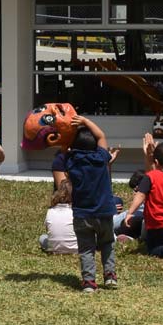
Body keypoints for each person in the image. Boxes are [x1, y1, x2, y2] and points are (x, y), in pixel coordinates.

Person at [52, 115, 119, 294]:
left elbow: (63, 149)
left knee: (86, 248)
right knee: (107, 243)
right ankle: (110, 275)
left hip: (82, 214)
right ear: (96, 146)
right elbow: (101, 136)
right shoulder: (101, 158)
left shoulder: (71, 161)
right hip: (104, 212)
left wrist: (67, 133)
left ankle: (89, 282)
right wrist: (85, 121)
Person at [38, 185, 77, 254]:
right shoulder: (75, 211)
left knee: (42, 237)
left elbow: (48, 229)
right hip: (76, 248)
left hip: (54, 248)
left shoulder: (50, 211)